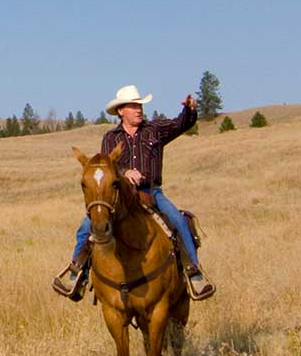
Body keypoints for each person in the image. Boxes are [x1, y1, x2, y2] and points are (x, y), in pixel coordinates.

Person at [53, 85, 214, 301]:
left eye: (139, 105)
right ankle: (77, 274)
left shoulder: (154, 129)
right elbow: (107, 168)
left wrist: (190, 111)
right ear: (121, 111)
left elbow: (181, 124)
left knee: (178, 220)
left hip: (151, 192)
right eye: (133, 106)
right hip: (121, 195)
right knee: (85, 228)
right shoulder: (110, 138)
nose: (138, 109)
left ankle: (193, 273)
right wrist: (124, 171)